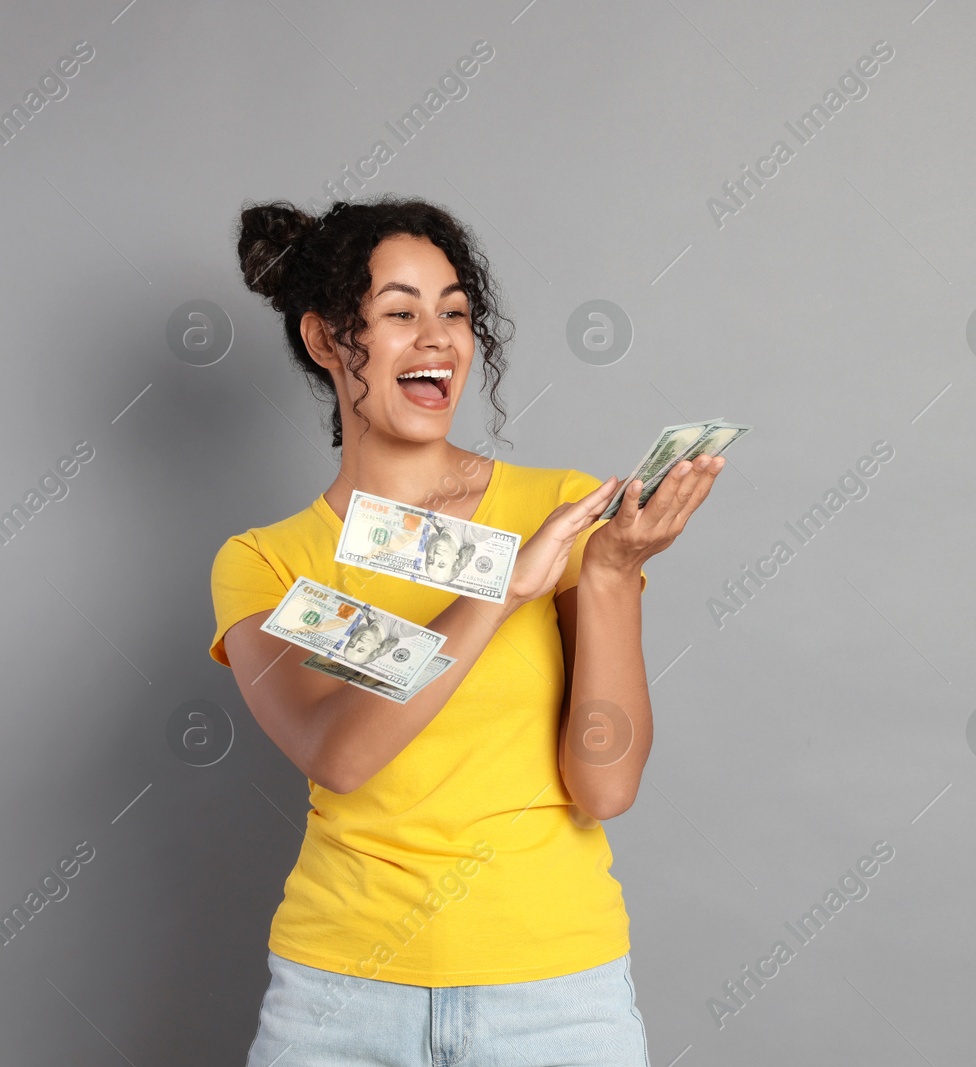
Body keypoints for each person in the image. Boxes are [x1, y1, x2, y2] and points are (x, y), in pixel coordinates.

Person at [210, 195, 723, 1066]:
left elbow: (603, 788)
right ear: (328, 340)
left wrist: (607, 575)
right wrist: (503, 584)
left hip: (556, 994)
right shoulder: (268, 561)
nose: (439, 338)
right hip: (340, 999)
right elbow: (337, 750)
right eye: (400, 312)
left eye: (455, 311)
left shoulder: (557, 514)